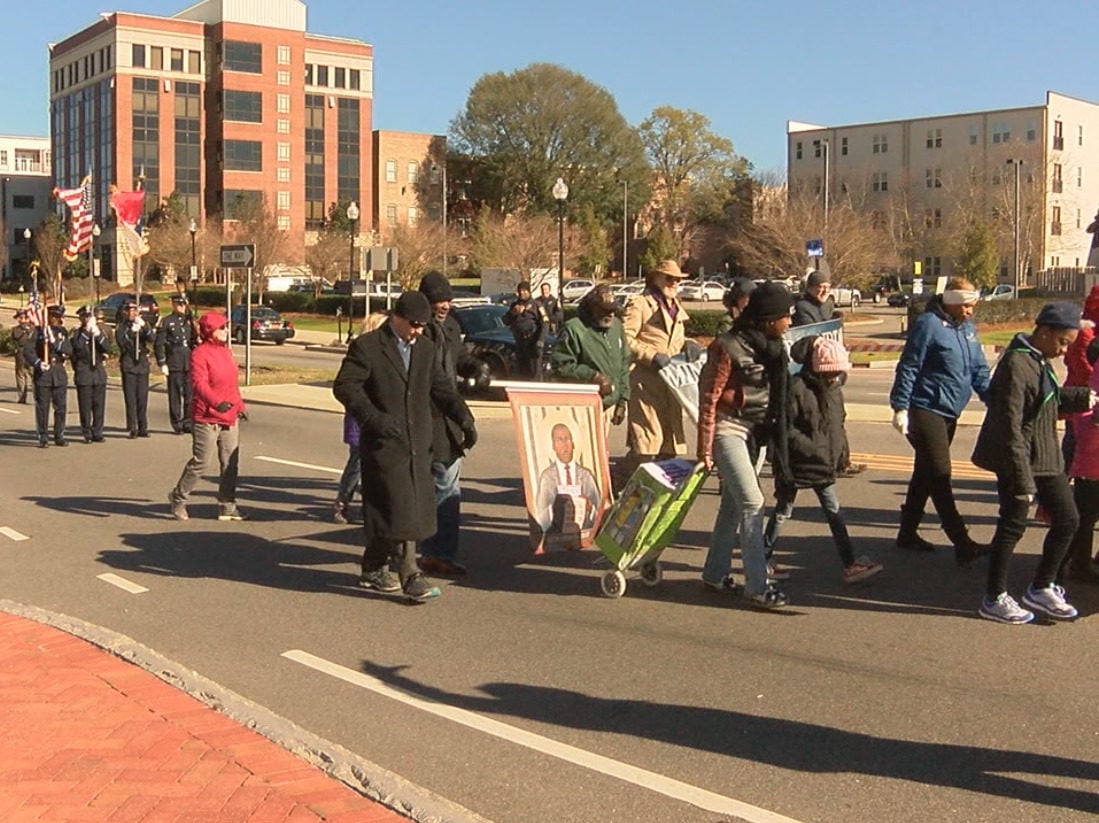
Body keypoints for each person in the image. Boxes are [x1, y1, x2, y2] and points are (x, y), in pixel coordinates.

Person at [333, 292, 477, 602]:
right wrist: (373, 418)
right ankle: (410, 573)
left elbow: (441, 388)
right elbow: (345, 386)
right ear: (396, 317)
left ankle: (373, 566)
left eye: (422, 326)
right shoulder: (369, 347)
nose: (418, 331)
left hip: (418, 442)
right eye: (413, 324)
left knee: (410, 509)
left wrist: (463, 418)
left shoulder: (424, 349)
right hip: (385, 443)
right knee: (400, 508)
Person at [971, 303, 1095, 624]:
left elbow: (1044, 402)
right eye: (1063, 342)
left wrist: (1083, 398)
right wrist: (1022, 480)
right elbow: (1009, 427)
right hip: (1019, 457)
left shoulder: (1039, 359)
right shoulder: (1016, 364)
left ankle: (1041, 586)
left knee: (1069, 519)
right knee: (1012, 526)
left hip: (1045, 455)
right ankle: (994, 597)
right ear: (1043, 332)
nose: (1064, 350)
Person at [697, 281, 794, 609]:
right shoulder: (726, 346)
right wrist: (705, 449)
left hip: (756, 434)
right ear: (768, 319)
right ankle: (758, 586)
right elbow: (709, 397)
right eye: (785, 316)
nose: (790, 322)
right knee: (753, 503)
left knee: (733, 505)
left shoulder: (774, 347)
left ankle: (714, 573)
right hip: (728, 431)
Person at [763, 336, 883, 584]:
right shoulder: (795, 388)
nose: (835, 376)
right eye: (831, 372)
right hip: (798, 461)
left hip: (824, 461)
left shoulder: (834, 390)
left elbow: (838, 425)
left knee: (833, 512)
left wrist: (841, 455)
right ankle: (763, 557)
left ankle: (850, 563)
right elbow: (786, 429)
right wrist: (812, 449)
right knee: (784, 510)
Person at [889, 277, 990, 562]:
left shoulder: (967, 329)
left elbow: (979, 369)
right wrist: (900, 406)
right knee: (940, 473)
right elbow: (909, 365)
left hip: (950, 410)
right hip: (925, 409)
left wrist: (994, 400)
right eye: (968, 305)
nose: (971, 311)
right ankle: (961, 541)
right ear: (954, 302)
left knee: (925, 472)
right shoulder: (928, 324)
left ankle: (906, 533)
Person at [417, 271, 491, 576]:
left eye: (448, 299)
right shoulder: (416, 329)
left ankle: (440, 554)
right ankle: (414, 552)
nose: (445, 305)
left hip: (448, 420)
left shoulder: (449, 326)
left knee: (447, 487)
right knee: (426, 489)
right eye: (439, 300)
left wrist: (476, 365)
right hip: (422, 417)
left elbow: (459, 356)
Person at [168, 312, 248, 522]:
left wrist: (240, 405)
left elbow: (232, 384)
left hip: (230, 415)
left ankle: (227, 504)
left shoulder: (227, 353)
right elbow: (199, 384)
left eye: (226, 327)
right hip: (207, 416)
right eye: (222, 328)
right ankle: (178, 497)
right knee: (202, 461)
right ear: (210, 331)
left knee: (230, 463)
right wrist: (216, 403)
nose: (227, 331)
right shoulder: (199, 354)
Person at [622, 259, 691, 472]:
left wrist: (690, 345)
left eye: (678, 279)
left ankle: (656, 493)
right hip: (645, 383)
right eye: (669, 278)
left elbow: (677, 340)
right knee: (647, 443)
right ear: (655, 278)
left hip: (672, 385)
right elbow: (624, 339)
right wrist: (651, 356)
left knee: (669, 445)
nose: (674, 282)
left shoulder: (676, 306)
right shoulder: (640, 304)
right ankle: (627, 486)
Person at [550, 284, 631, 430]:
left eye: (613, 310)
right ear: (593, 308)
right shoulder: (575, 328)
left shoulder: (616, 327)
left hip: (608, 405)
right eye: (605, 310)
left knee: (600, 452)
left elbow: (624, 364)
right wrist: (593, 376)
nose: (611, 314)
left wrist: (622, 400)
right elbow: (561, 365)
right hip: (582, 406)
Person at [534, 422, 602, 536]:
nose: (565, 445)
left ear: (573, 444)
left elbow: (600, 512)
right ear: (553, 446)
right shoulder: (548, 477)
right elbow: (539, 516)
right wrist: (555, 509)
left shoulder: (585, 475)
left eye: (567, 439)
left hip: (583, 532)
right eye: (559, 440)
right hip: (556, 533)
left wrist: (589, 508)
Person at [23, 305, 72, 447]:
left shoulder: (62, 332)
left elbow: (69, 350)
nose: (57, 320)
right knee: (43, 407)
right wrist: (38, 363)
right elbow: (28, 351)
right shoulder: (38, 332)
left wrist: (55, 344)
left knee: (61, 407)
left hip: (58, 373)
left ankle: (59, 434)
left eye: (59, 317)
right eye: (54, 316)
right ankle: (43, 436)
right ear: (47, 317)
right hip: (43, 374)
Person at [70, 306, 114, 443]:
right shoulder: (76, 333)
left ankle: (98, 431)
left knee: (98, 405)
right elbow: (76, 348)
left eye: (90, 316)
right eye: (86, 317)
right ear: (81, 318)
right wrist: (85, 334)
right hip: (84, 372)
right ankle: (87, 432)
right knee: (85, 405)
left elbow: (108, 348)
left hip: (98, 372)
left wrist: (98, 335)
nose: (88, 319)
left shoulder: (98, 332)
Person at [155, 294, 197, 434]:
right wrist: (162, 362)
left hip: (188, 361)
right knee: (175, 395)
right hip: (174, 361)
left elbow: (194, 340)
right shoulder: (166, 321)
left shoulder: (189, 321)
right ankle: (177, 423)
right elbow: (159, 344)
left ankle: (188, 422)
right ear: (173, 305)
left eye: (183, 304)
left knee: (189, 395)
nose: (181, 307)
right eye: (179, 304)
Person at [115, 300, 154, 438]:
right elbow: (123, 343)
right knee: (130, 397)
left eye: (135, 310)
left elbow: (151, 338)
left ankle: (143, 426)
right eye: (131, 310)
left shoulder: (143, 325)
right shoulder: (122, 327)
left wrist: (144, 327)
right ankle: (133, 427)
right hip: (129, 364)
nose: (133, 313)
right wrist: (132, 332)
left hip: (142, 364)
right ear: (126, 312)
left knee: (142, 397)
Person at [502, 280, 545, 380]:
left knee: (534, 371)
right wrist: (513, 312)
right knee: (522, 371)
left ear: (529, 292)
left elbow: (545, 323)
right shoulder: (514, 305)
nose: (522, 293)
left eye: (525, 291)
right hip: (520, 342)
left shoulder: (536, 305)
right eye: (520, 291)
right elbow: (505, 321)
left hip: (532, 341)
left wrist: (540, 340)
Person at [333, 414, 362, 524]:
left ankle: (371, 504)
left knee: (375, 468)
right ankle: (342, 504)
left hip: (377, 425)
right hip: (360, 425)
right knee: (356, 465)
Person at [11, 308, 34, 404]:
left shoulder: (32, 329)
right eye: (19, 318)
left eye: (22, 317)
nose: (21, 320)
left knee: (34, 376)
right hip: (21, 355)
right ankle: (22, 396)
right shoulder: (16, 329)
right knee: (21, 376)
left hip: (31, 354)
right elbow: (16, 338)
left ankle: (38, 396)